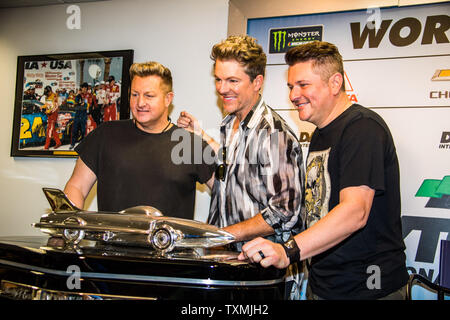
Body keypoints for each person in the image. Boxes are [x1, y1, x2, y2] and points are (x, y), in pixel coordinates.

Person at [239, 41, 409, 300]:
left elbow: (355, 211)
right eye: (290, 86)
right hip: (323, 287)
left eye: (303, 85)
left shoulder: (362, 128)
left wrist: (288, 251)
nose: (294, 95)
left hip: (368, 291)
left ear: (335, 83)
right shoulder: (320, 134)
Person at [177, 35, 304, 299]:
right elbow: (235, 176)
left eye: (233, 80)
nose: (223, 88)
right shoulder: (230, 124)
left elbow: (284, 212)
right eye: (218, 79)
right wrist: (199, 134)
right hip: (227, 266)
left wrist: (222, 235)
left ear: (257, 82)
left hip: (259, 275)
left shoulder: (273, 134)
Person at [64, 61, 215, 219]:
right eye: (135, 95)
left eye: (149, 96)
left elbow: (225, 192)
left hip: (169, 243)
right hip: (111, 243)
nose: (140, 103)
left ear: (168, 99)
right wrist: (67, 226)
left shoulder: (190, 143)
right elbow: (77, 187)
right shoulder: (105, 135)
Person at [42, 85, 61, 150]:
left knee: (49, 130)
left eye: (47, 93)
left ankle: (46, 146)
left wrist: (50, 111)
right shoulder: (46, 97)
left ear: (50, 91)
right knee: (52, 130)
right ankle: (58, 142)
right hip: (49, 115)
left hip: (53, 115)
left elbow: (56, 106)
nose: (46, 94)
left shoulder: (54, 96)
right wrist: (42, 107)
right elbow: (47, 105)